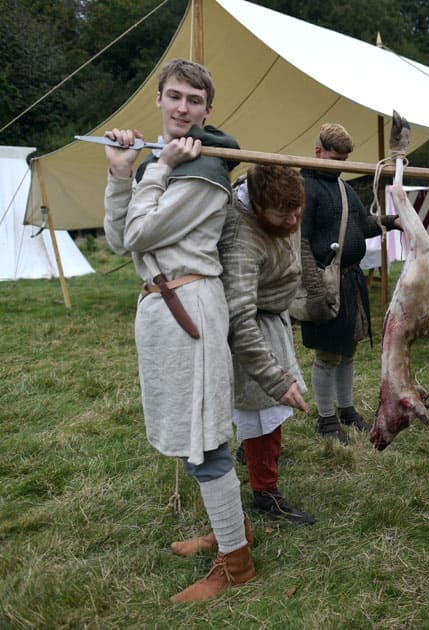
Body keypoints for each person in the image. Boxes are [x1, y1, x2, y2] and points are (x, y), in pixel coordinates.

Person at [102, 58, 253, 603]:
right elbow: (119, 242)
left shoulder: (205, 167)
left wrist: (159, 169)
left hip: (190, 303)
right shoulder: (161, 163)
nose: (183, 108)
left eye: (194, 100)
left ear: (208, 109)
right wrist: (123, 175)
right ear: (160, 101)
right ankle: (228, 528)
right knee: (195, 433)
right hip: (161, 309)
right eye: (174, 97)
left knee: (205, 439)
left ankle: (236, 563)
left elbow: (141, 233)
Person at [218, 164, 315, 525]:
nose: (293, 219)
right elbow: (238, 318)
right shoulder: (240, 240)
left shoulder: (285, 204)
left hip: (274, 317)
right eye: (283, 213)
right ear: (258, 207)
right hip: (250, 330)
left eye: (298, 211)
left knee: (268, 416)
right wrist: (274, 378)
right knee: (261, 412)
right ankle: (265, 492)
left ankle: (260, 464)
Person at [299, 123, 400, 444]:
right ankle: (327, 419)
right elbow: (299, 242)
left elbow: (362, 224)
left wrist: (391, 222)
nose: (340, 165)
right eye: (335, 158)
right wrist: (314, 289)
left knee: (348, 351)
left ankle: (346, 409)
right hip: (324, 283)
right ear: (318, 152)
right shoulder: (306, 187)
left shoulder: (345, 189)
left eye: (344, 160)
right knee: (327, 355)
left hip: (351, 282)